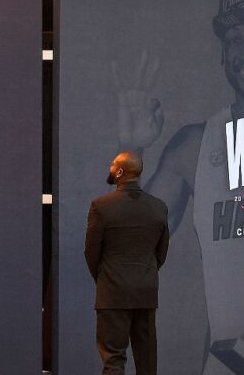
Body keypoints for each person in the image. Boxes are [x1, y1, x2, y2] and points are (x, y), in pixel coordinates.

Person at [113, 0, 244, 374]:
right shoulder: (194, 146)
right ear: (223, 53)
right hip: (231, 366)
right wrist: (133, 151)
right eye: (234, 40)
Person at [85, 151, 170, 375]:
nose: (111, 169)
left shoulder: (101, 206)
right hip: (145, 291)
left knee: (113, 359)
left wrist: (105, 278)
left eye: (113, 166)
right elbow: (161, 253)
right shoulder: (158, 207)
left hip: (112, 291)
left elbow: (91, 253)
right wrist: (146, 273)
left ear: (120, 172)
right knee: (147, 359)